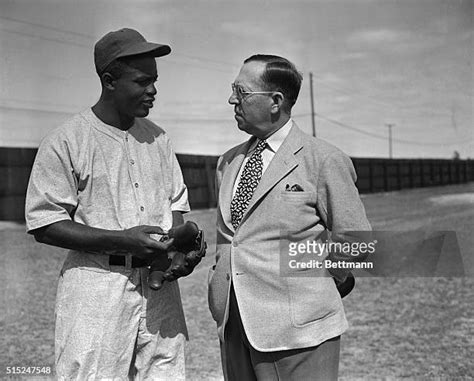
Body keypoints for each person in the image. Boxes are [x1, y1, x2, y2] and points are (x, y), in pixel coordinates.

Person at [25, 28, 204, 380]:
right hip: (96, 288)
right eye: (141, 81)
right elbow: (44, 223)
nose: (152, 90)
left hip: (159, 290)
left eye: (154, 80)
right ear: (109, 80)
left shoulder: (159, 138)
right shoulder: (68, 139)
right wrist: (124, 239)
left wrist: (181, 250)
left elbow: (176, 206)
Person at [208, 54, 372, 380]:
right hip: (234, 325)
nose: (231, 100)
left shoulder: (323, 159)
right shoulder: (227, 163)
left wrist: (320, 283)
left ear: (275, 101)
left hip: (300, 333)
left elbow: (356, 238)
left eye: (241, 92)